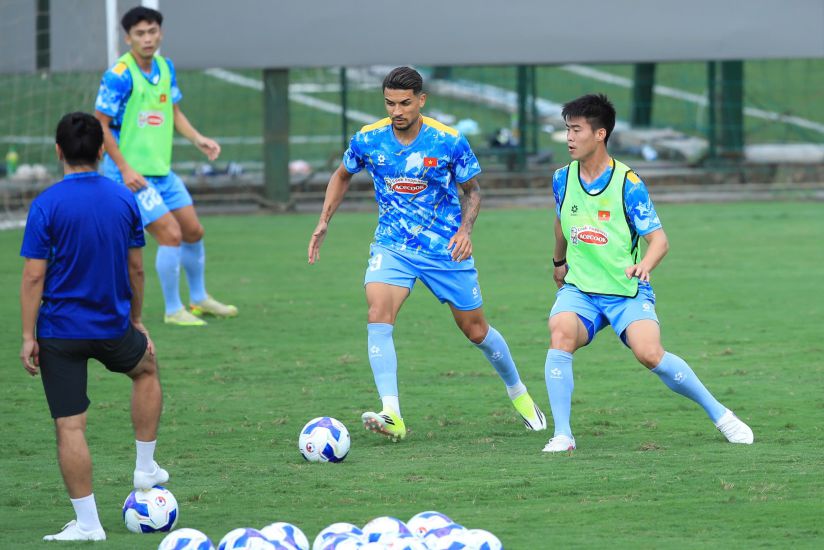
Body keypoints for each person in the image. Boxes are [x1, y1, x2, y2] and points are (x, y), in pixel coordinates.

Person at [308, 66, 546, 441]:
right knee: (377, 314)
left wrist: (465, 230)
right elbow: (341, 174)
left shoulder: (448, 140)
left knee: (476, 330)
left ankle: (518, 391)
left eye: (405, 103)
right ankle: (392, 413)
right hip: (393, 245)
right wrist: (324, 221)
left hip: (444, 249)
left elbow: (472, 191)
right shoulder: (368, 139)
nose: (396, 111)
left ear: (422, 100)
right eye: (389, 103)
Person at [542, 93, 754, 452]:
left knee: (650, 354)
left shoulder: (628, 183)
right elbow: (561, 222)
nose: (569, 138)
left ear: (600, 134)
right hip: (582, 290)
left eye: (576, 130)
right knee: (560, 332)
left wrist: (645, 265)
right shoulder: (562, 179)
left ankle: (722, 416)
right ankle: (563, 434)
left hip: (627, 290)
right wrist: (559, 263)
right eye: (567, 129)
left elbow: (659, 240)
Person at [19, 112, 169, 541]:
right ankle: (144, 469)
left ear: (58, 151)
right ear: (103, 151)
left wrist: (29, 336)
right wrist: (136, 320)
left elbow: (33, 276)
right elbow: (136, 268)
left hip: (59, 332)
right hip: (111, 325)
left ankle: (88, 525)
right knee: (145, 370)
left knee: (70, 426)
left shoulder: (46, 204)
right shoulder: (124, 199)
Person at [94, 6, 237, 326]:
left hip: (161, 171)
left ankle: (198, 298)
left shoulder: (165, 67)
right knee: (170, 234)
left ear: (160, 33)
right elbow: (99, 124)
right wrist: (125, 169)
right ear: (128, 38)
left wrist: (198, 138)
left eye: (152, 31)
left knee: (193, 230)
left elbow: (173, 110)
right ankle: (173, 309)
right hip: (130, 175)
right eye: (140, 34)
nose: (147, 39)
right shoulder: (118, 75)